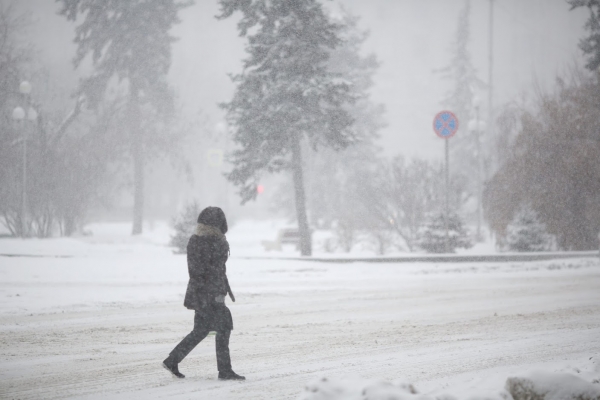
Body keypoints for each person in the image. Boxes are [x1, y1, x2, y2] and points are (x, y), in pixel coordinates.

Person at [162, 206, 245, 380]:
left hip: (201, 293)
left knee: (201, 330)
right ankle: (224, 370)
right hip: (210, 293)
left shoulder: (198, 240)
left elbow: (206, 270)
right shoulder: (211, 242)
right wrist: (216, 293)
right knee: (223, 326)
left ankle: (172, 360)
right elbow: (210, 271)